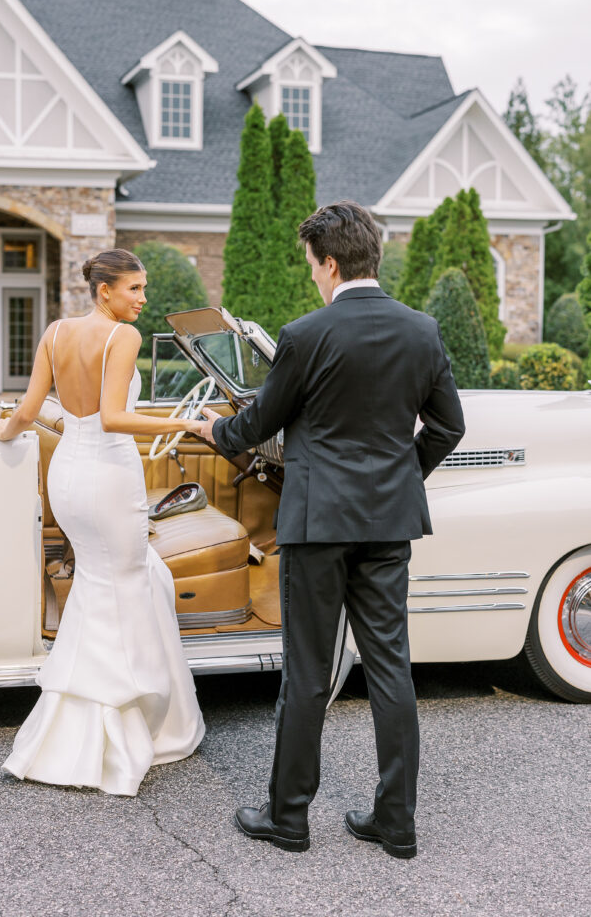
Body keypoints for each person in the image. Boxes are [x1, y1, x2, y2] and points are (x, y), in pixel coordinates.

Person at [198, 201, 465, 857]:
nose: (312, 276)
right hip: (387, 524)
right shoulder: (421, 331)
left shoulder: (306, 334)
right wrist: (401, 480)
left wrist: (210, 430)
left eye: (313, 265)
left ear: (332, 262)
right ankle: (394, 824)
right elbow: (448, 426)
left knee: (308, 673)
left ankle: (288, 820)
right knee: (390, 669)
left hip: (317, 524)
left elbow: (255, 426)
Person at [0, 248, 205, 796]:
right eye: (134, 289)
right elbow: (114, 417)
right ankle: (126, 728)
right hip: (109, 475)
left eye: (143, 287)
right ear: (104, 290)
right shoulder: (123, 337)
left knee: (102, 582)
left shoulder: (56, 332)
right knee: (128, 583)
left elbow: (30, 408)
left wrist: (1, 434)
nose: (142, 298)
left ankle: (71, 730)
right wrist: (187, 423)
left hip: (67, 475)